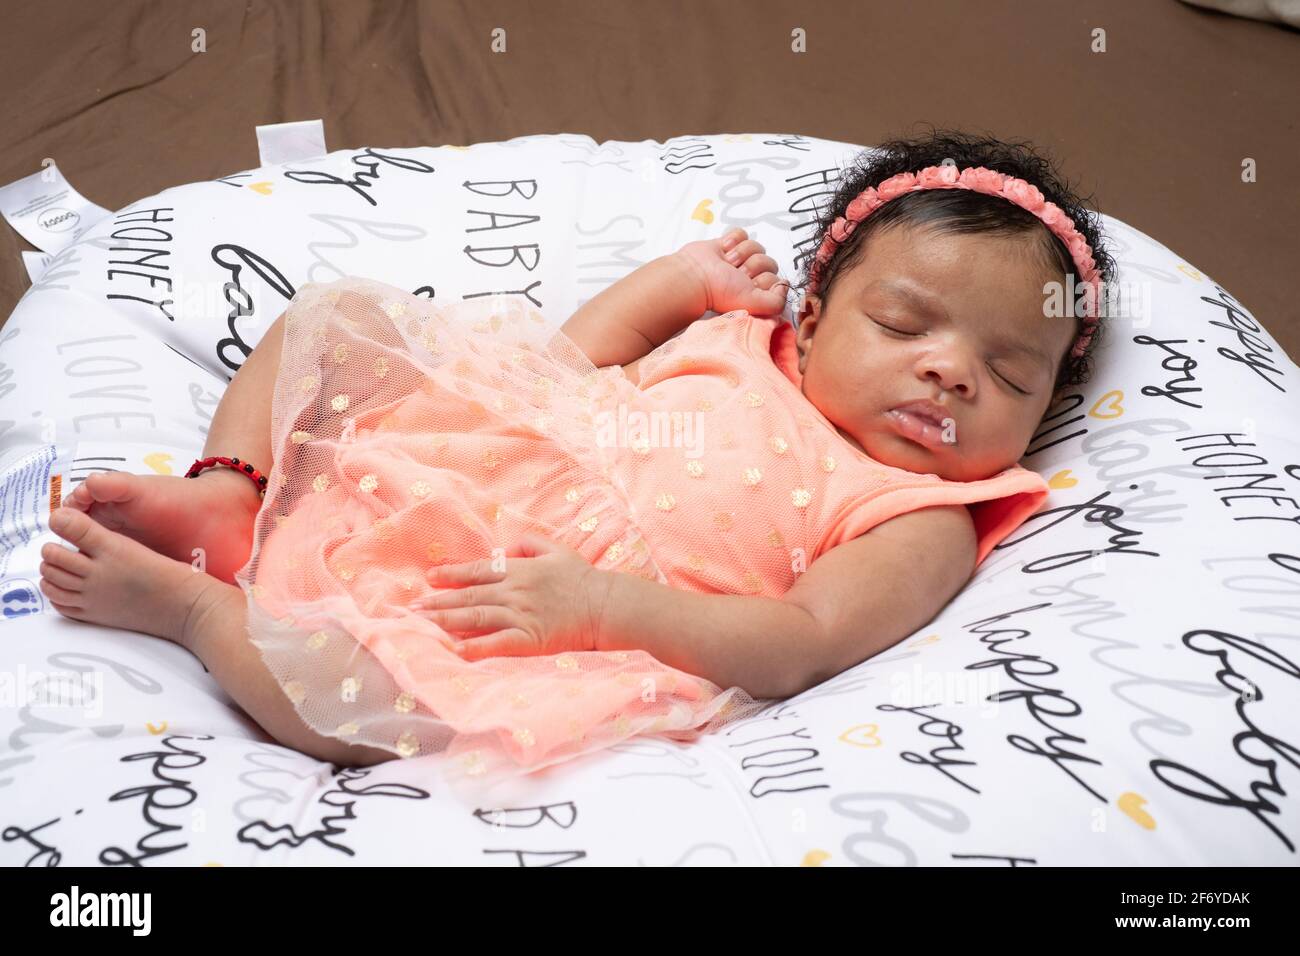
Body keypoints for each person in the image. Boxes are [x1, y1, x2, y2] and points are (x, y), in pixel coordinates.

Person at [36, 128, 1116, 793]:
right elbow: (559, 362)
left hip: (555, 610)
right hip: (481, 457)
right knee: (326, 325)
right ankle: (232, 494)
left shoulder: (916, 512)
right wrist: (674, 281)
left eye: (1009, 375)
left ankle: (192, 612)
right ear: (819, 309)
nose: (948, 373)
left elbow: (796, 644)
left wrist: (594, 606)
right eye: (904, 322)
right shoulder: (746, 337)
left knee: (362, 703)